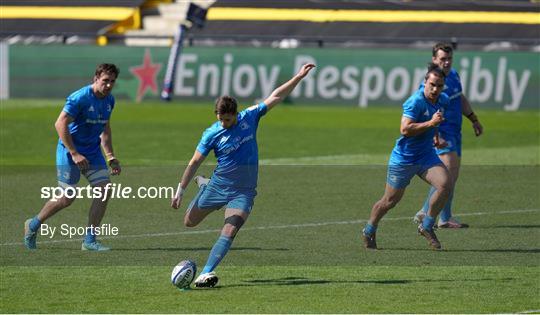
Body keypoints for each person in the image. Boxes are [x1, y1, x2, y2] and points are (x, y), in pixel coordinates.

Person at [171, 63, 316, 287]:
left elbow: (276, 96)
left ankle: (206, 273)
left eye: (227, 120)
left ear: (235, 114)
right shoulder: (212, 133)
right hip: (219, 185)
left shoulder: (250, 117)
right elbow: (194, 162)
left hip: (243, 191)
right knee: (189, 222)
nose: (223, 124)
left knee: (230, 228)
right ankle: (204, 187)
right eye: (220, 119)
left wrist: (298, 76)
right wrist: (180, 189)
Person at [24, 63, 121, 251]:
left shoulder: (110, 100)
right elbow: (59, 124)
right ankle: (33, 225)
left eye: (112, 82)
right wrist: (75, 153)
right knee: (67, 198)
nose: (108, 85)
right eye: (105, 81)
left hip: (92, 152)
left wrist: (110, 156)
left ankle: (90, 241)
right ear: (95, 79)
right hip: (69, 151)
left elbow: (105, 128)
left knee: (105, 189)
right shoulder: (80, 98)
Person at [361, 63, 452, 250]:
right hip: (404, 159)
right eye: (432, 84)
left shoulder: (443, 100)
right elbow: (405, 129)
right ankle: (369, 229)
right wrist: (431, 123)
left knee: (445, 184)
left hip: (426, 155)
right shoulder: (416, 101)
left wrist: (436, 137)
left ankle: (426, 226)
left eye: (439, 86)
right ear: (424, 82)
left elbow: (435, 121)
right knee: (389, 202)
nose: (435, 89)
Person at [414, 43, 483, 228]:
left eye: (449, 58)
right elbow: (422, 106)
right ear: (434, 59)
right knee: (446, 175)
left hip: (455, 131)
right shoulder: (430, 82)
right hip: (442, 132)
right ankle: (426, 211)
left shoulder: (453, 76)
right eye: (442, 58)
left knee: (452, 176)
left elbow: (460, 98)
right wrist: (433, 133)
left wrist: (473, 119)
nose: (446, 62)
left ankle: (445, 218)